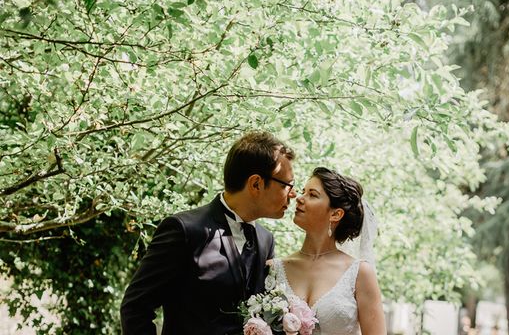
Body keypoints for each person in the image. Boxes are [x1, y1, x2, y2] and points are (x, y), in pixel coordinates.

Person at [120, 131, 296, 335]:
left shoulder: (266, 240)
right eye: (287, 185)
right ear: (256, 184)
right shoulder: (184, 229)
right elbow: (135, 308)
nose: (293, 193)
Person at [271, 167, 386, 335]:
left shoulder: (360, 273)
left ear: (335, 214)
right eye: (303, 191)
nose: (299, 198)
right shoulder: (274, 268)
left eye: (312, 194)